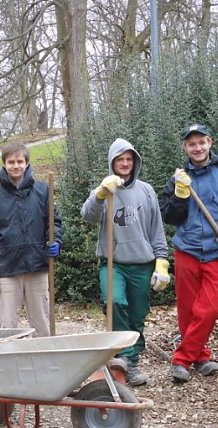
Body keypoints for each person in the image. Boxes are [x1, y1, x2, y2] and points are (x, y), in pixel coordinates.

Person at [160, 124, 218, 383]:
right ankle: (200, 356)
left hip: (217, 251)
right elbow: (170, 216)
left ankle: (181, 359)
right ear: (185, 148)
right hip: (187, 249)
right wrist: (179, 194)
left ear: (210, 142)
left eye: (201, 142)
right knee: (188, 309)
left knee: (209, 309)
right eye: (191, 144)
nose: (197, 148)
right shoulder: (179, 177)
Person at [81, 138, 170, 387]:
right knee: (114, 301)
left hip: (142, 263)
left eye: (129, 159)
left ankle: (132, 361)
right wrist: (100, 194)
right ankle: (123, 356)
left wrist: (161, 261)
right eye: (120, 159)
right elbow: (88, 216)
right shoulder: (105, 189)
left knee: (138, 315)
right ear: (112, 162)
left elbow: (157, 229)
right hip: (113, 263)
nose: (125, 163)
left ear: (135, 162)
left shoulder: (146, 190)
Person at [0, 142, 61, 338]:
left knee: (42, 323)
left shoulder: (42, 191)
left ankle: (44, 362)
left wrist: (56, 240)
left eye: (20, 161)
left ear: (27, 163)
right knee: (8, 327)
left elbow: (54, 221)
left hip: (37, 266)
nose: (16, 166)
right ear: (4, 164)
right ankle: (8, 364)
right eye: (11, 162)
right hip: (7, 269)